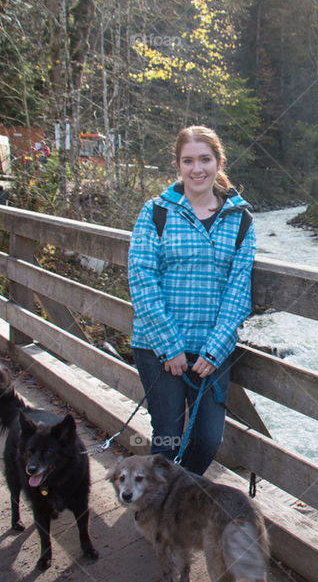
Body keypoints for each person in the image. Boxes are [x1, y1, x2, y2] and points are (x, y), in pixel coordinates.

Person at [127, 126, 256, 475]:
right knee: (167, 437)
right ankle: (157, 513)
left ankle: (181, 501)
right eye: (188, 161)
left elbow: (238, 290)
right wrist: (169, 346)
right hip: (158, 348)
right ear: (179, 165)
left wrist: (213, 350)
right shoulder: (156, 212)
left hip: (212, 352)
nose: (197, 169)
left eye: (204, 159)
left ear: (218, 162)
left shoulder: (240, 219)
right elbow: (142, 281)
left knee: (207, 440)